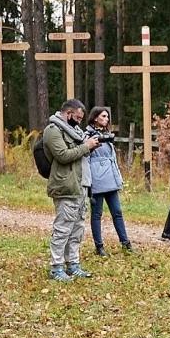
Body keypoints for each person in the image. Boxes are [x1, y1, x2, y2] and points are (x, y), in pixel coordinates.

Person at [43, 99, 101, 281]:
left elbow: (79, 153)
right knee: (63, 228)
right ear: (68, 113)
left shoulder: (76, 132)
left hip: (81, 184)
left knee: (77, 228)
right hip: (65, 185)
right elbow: (62, 155)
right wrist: (86, 147)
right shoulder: (52, 131)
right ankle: (56, 267)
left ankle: (73, 264)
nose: (79, 121)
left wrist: (90, 147)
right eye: (77, 117)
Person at [84, 107, 131, 256]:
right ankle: (99, 246)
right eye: (103, 116)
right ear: (95, 117)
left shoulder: (105, 134)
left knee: (117, 212)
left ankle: (126, 243)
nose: (107, 119)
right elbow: (85, 157)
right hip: (97, 180)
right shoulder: (88, 135)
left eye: (107, 116)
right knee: (96, 214)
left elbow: (111, 159)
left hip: (110, 178)